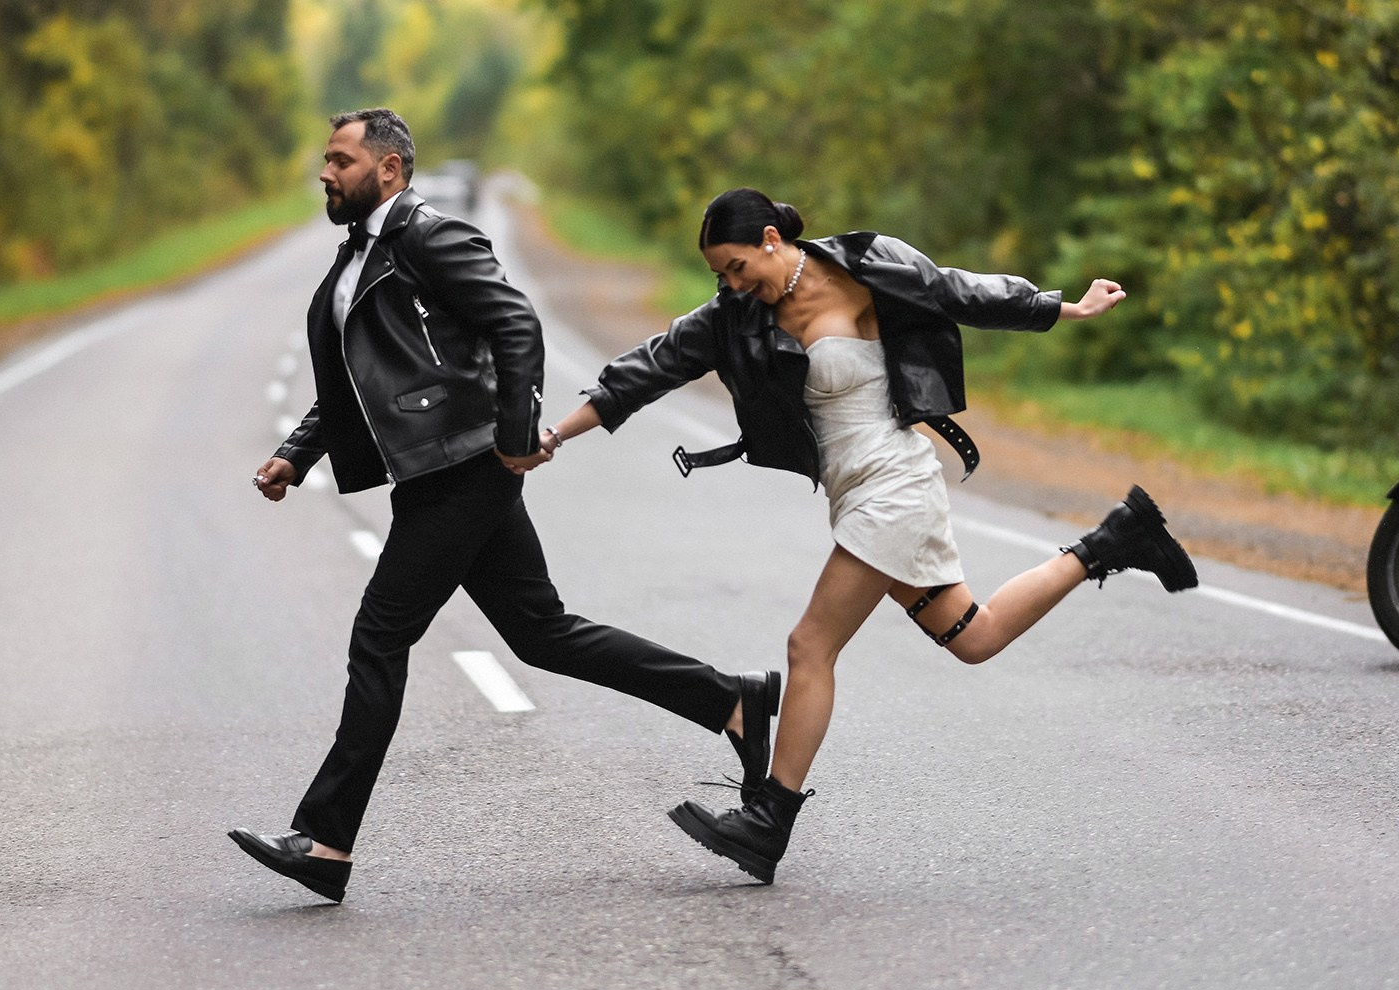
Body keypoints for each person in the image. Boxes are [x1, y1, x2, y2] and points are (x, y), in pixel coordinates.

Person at [540, 187, 1196, 884]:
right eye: (720, 275)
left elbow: (957, 291)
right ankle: (1116, 539)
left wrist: (1062, 307)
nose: (732, 284)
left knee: (808, 645)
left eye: (736, 266)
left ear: (770, 238)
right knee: (974, 636)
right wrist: (554, 434)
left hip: (896, 482)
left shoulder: (865, 266)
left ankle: (770, 819)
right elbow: (647, 369)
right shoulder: (736, 316)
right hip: (855, 492)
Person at [228, 113, 780, 903]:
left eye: (339, 160)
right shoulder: (363, 252)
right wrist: (298, 450)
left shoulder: (428, 235)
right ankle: (730, 698)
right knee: (542, 632)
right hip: (443, 470)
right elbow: (358, 380)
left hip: (465, 467)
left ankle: (325, 839)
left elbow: (516, 320)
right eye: (325, 160)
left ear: (389, 169)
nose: (325, 172)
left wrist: (519, 432)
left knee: (380, 634)